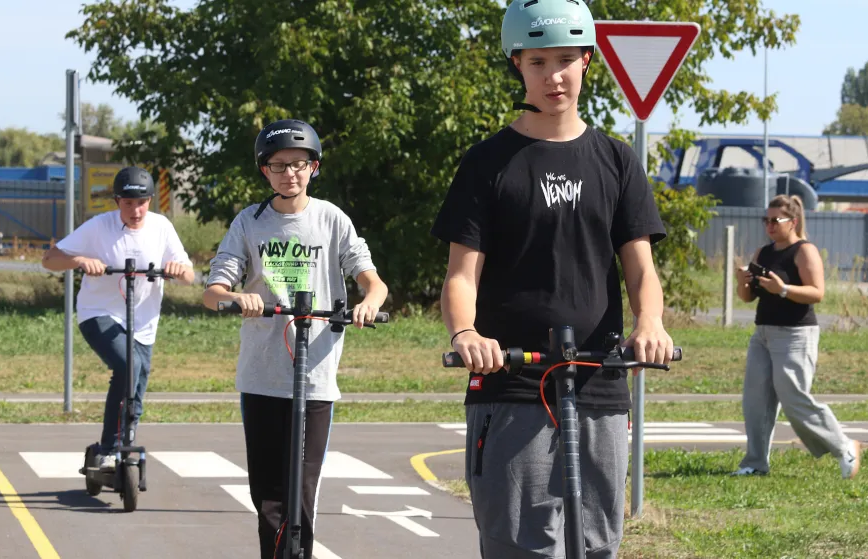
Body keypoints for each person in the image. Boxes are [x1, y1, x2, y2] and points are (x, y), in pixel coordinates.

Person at [430, 1, 674, 557]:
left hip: (600, 384)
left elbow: (641, 269)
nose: (553, 76)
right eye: (538, 61)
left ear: (587, 60)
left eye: (566, 59)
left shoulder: (615, 160)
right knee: (519, 545)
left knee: (597, 546)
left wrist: (650, 322)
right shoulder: (488, 163)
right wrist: (466, 334)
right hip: (513, 383)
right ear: (517, 64)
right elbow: (461, 275)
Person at [202, 119, 388, 559]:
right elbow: (213, 293)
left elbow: (373, 281)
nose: (290, 173)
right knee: (267, 495)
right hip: (263, 376)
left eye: (299, 164)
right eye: (279, 165)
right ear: (264, 170)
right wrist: (235, 296)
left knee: (302, 495)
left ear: (314, 167)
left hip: (315, 375)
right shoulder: (250, 222)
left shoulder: (331, 220)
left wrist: (367, 302)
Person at [42, 166, 195, 470]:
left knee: (136, 386)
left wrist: (178, 271)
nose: (135, 210)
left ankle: (123, 441)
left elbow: (189, 275)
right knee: (128, 366)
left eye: (141, 203)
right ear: (116, 202)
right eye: (127, 203)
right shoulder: (99, 226)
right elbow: (50, 259)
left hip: (144, 321)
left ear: (150, 201)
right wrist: (81, 260)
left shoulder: (161, 227)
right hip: (98, 313)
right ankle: (109, 446)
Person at [732, 194, 861, 478]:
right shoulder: (762, 253)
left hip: (796, 335)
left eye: (775, 220)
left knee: (794, 399)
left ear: (794, 221)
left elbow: (817, 293)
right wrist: (742, 283)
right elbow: (747, 298)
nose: (769, 225)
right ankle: (754, 463)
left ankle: (845, 446)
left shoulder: (804, 251)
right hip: (763, 333)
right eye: (766, 220)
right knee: (754, 401)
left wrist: (783, 289)